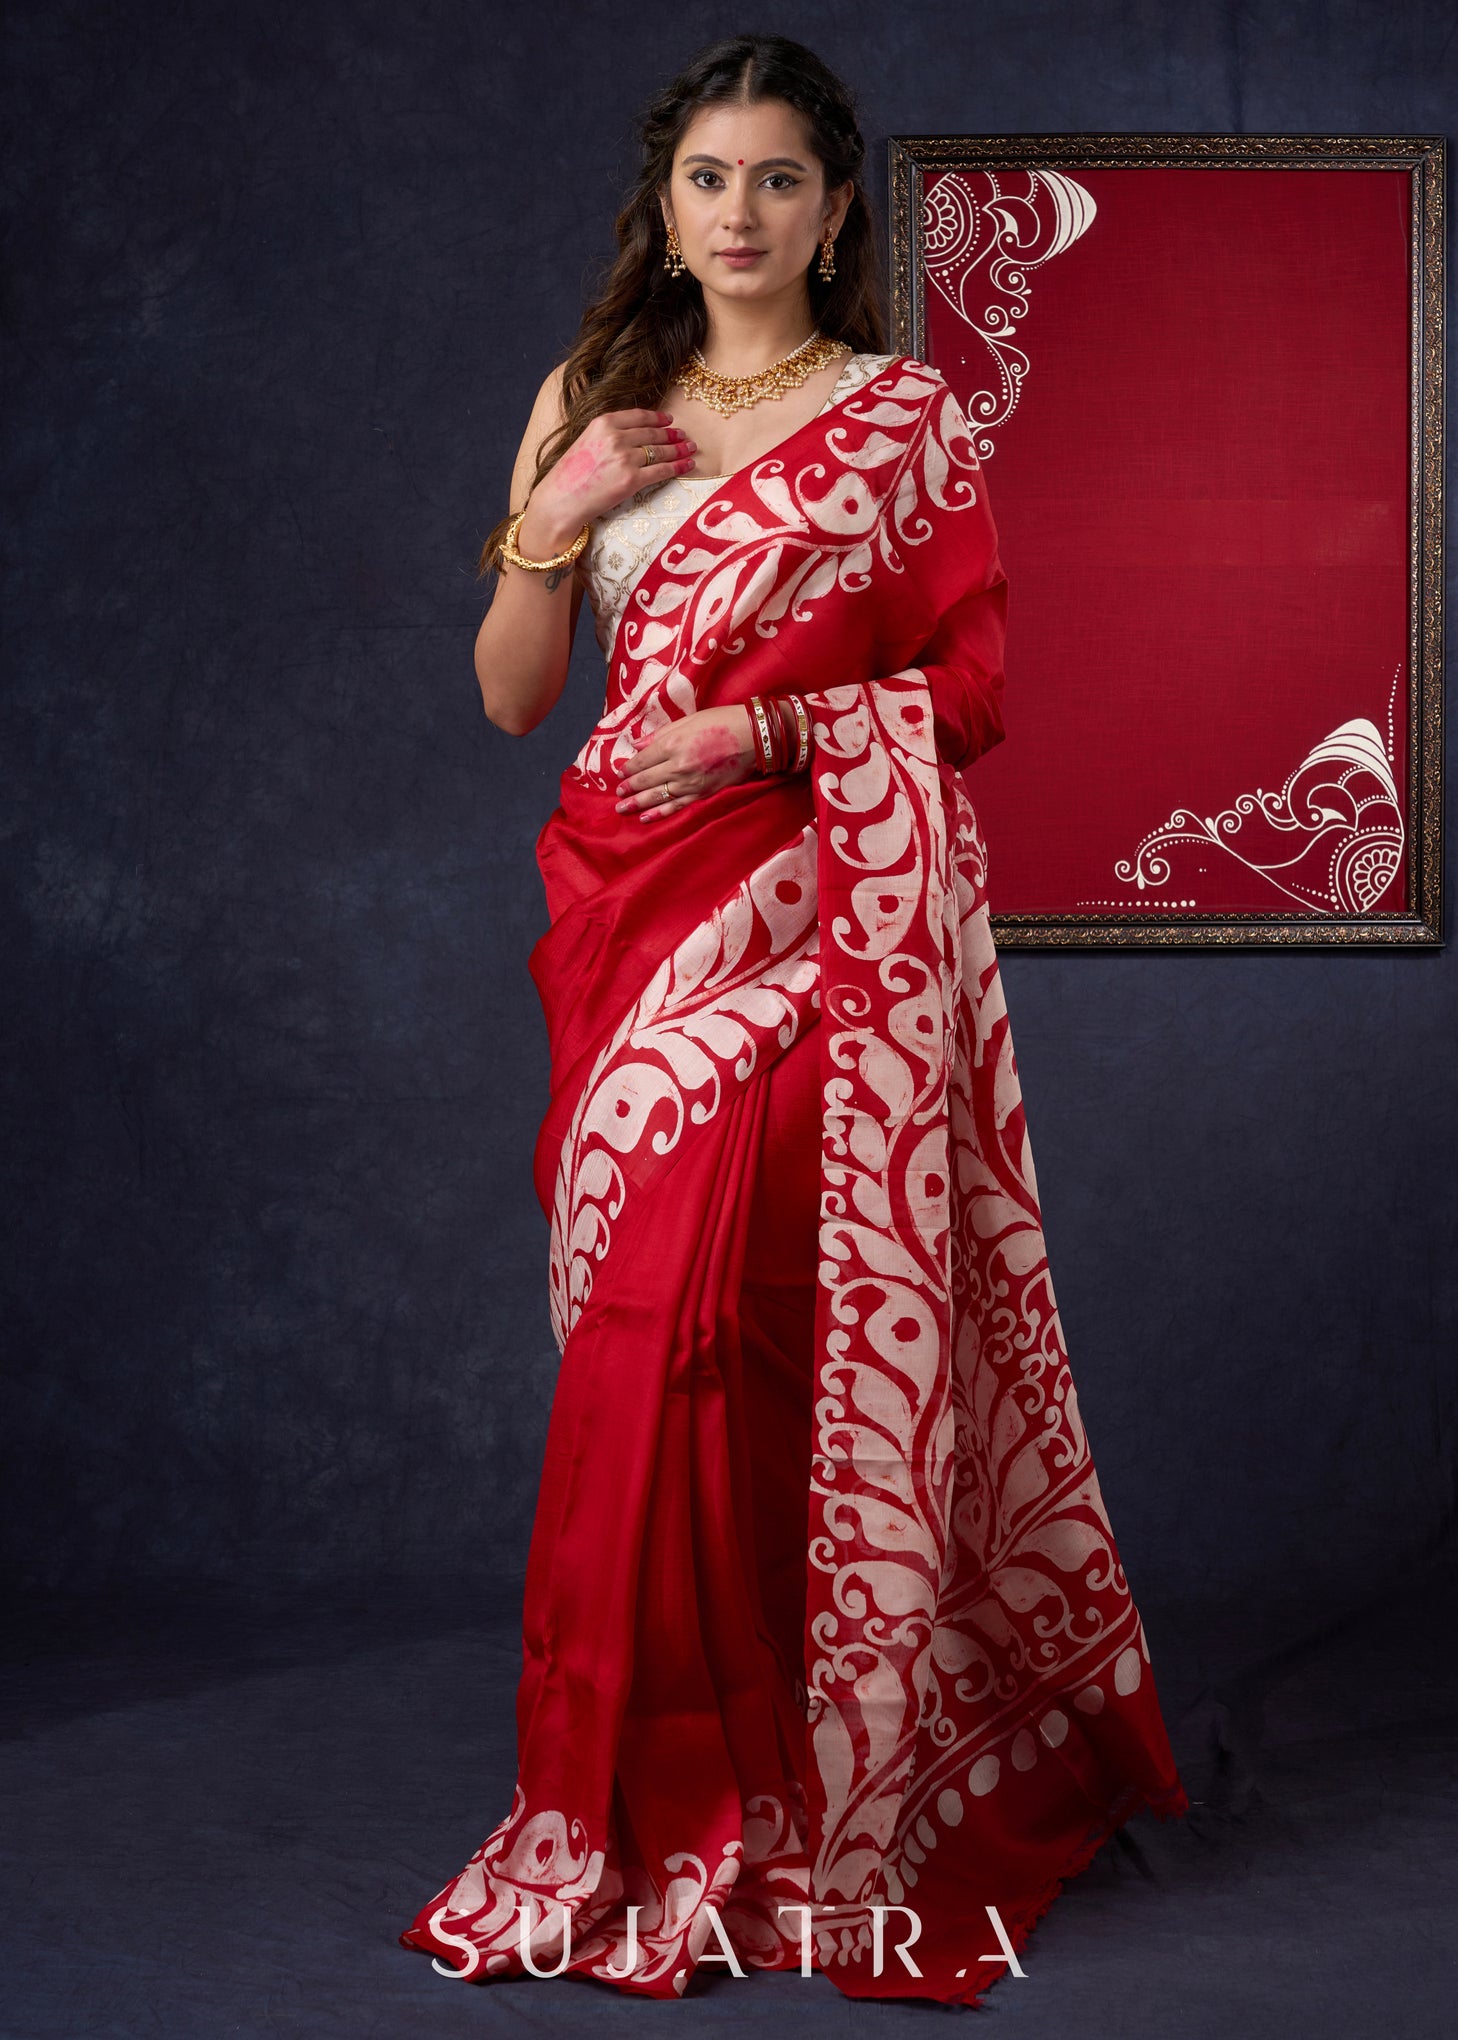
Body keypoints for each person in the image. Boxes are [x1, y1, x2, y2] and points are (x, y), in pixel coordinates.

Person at [400, 32, 1188, 2004]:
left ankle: (774, 1797)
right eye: (707, 179)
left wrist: (770, 731)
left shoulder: (901, 421)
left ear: (835, 211)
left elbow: (973, 692)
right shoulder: (587, 402)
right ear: (662, 208)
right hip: (624, 926)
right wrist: (556, 513)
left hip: (815, 919)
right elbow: (513, 697)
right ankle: (634, 1797)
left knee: (722, 1342)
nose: (738, 213)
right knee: (644, 1349)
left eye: (776, 180)